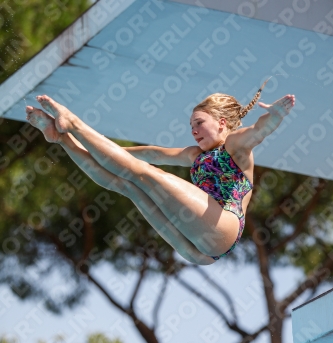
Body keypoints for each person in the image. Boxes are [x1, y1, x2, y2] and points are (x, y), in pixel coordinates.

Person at [26, 85, 295, 265]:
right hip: (197, 250)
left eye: (199, 123)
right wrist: (97, 148)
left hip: (223, 228)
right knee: (127, 185)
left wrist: (277, 115)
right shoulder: (194, 154)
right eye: (191, 126)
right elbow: (152, 154)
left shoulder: (235, 145)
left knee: (143, 175)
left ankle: (73, 123)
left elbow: (260, 130)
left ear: (222, 123)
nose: (194, 130)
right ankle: (63, 139)